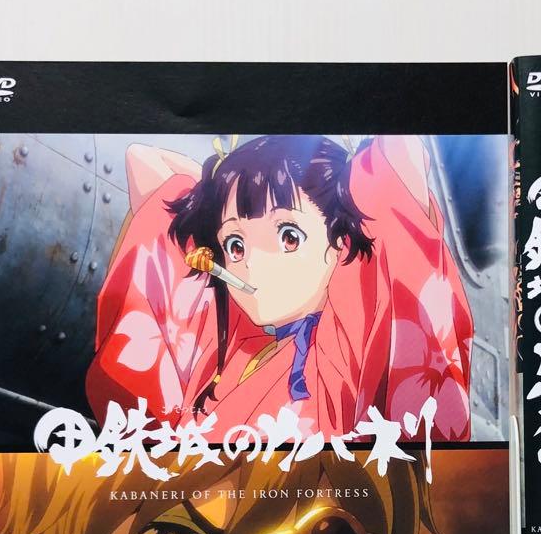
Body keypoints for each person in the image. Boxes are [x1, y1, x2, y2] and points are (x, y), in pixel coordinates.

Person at [86, 134, 474, 442]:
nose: (252, 264)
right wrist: (216, 189)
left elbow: (397, 157)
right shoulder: (227, 350)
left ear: (340, 245)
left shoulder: (346, 344)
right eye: (235, 246)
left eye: (289, 236)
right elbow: (144, 163)